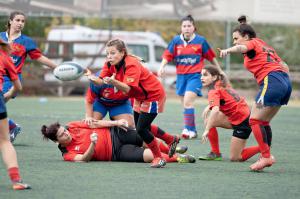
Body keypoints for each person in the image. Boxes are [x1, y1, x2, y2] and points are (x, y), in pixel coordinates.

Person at [218, 15, 292, 171]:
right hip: (284, 82)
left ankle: (266, 157)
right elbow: (284, 66)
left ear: (245, 37)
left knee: (254, 120)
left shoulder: (250, 43)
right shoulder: (262, 44)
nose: (234, 42)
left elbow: (241, 47)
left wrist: (228, 50)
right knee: (263, 121)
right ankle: (266, 155)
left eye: (235, 38)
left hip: (271, 81)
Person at [88, 39, 170, 168]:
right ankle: (171, 140)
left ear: (122, 53)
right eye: (107, 53)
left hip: (153, 95)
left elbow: (127, 88)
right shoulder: (109, 64)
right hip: (140, 96)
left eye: (113, 53)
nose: (109, 56)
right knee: (140, 127)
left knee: (142, 129)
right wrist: (93, 78)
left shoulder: (131, 64)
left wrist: (113, 82)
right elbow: (101, 81)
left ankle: (159, 157)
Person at [84, 72, 182, 158]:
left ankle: (168, 145)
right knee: (92, 124)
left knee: (133, 126)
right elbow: (89, 100)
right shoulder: (99, 79)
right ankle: (169, 142)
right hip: (101, 103)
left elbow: (136, 98)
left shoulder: (130, 81)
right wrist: (89, 116)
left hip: (120, 104)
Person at [158, 14, 221, 139]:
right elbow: (167, 55)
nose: (186, 28)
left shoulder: (201, 41)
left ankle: (189, 129)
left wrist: (219, 70)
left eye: (189, 26)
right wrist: (162, 66)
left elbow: (211, 57)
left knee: (188, 101)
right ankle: (190, 129)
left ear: (194, 27)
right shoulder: (176, 41)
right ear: (181, 28)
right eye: (184, 26)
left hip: (196, 76)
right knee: (185, 104)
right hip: (181, 76)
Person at [0, 11, 57, 142]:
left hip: (11, 81)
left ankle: (11, 127)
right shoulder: (1, 37)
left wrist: (56, 67)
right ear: (10, 21)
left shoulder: (26, 41)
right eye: (17, 20)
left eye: (23, 21)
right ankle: (11, 126)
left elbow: (39, 58)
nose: (20, 23)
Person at [41, 119, 195, 164]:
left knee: (146, 135)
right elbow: (83, 159)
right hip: (116, 153)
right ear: (57, 141)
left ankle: (171, 147)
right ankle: (178, 158)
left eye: (64, 130)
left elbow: (95, 123)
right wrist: (93, 144)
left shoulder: (72, 126)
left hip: (116, 134)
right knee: (150, 156)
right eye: (62, 134)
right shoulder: (67, 154)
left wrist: (116, 123)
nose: (66, 133)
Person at [198, 65, 260, 162]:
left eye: (205, 75)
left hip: (243, 122)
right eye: (201, 75)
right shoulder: (222, 82)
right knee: (209, 120)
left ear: (214, 77)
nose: (202, 77)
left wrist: (206, 130)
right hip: (241, 116)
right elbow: (223, 99)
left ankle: (263, 147)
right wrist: (208, 107)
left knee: (235, 158)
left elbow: (215, 110)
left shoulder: (214, 90)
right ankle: (215, 153)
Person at [0, 39, 30, 190]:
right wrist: (8, 94)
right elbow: (18, 87)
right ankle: (16, 181)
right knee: (5, 142)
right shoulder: (5, 58)